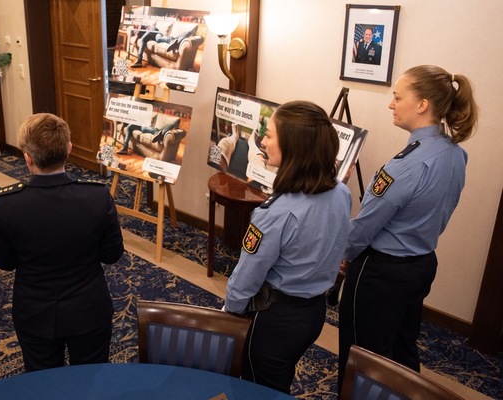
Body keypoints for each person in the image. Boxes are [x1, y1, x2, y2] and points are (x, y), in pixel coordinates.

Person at [338, 65, 479, 389]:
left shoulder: (405, 166)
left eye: (398, 97)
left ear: (422, 104)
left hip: (381, 273)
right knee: (402, 350)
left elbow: (366, 224)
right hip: (421, 264)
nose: (391, 103)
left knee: (361, 358)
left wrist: (343, 254)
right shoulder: (456, 154)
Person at [223, 101, 351, 393]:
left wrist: (229, 316)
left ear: (293, 147)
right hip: (313, 313)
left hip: (274, 320)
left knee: (258, 388)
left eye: (268, 136)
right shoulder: (341, 193)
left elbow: (247, 277)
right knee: (279, 379)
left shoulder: (276, 212)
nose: (263, 142)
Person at [0, 113, 124, 371]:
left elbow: (3, 262)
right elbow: (112, 254)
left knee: (43, 385)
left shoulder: (7, 205)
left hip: (34, 314)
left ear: (27, 157)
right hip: (89, 310)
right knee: (91, 381)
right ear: (69, 149)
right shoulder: (97, 197)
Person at [130, 24, 198, 68]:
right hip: (153, 36)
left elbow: (138, 36)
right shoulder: (135, 31)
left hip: (153, 30)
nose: (134, 25)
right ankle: (173, 40)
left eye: (134, 24)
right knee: (159, 39)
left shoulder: (140, 26)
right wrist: (134, 44)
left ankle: (139, 61)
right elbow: (137, 37)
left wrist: (134, 44)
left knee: (143, 39)